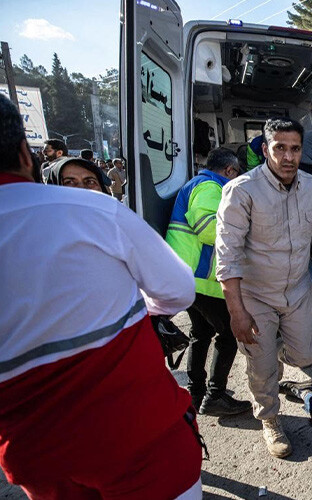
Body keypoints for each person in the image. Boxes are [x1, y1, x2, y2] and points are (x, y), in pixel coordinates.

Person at [0, 95, 203, 498]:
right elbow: (178, 291)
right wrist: (134, 308)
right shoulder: (95, 212)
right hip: (142, 441)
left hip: (39, 459)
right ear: (28, 154)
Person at [216, 118, 312, 459]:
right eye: (280, 148)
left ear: (302, 150)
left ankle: (276, 352)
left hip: (298, 290)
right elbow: (228, 257)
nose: (288, 156)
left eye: (295, 148)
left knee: (307, 355)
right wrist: (237, 312)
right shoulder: (241, 191)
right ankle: (270, 419)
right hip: (257, 296)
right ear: (266, 149)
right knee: (262, 367)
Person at [166, 147, 252, 416]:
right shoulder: (210, 187)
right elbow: (208, 229)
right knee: (229, 332)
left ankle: (196, 392)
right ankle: (215, 395)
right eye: (236, 174)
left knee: (200, 333)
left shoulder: (197, 184)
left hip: (188, 277)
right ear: (229, 171)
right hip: (201, 279)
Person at [44, 156, 111, 194]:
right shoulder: (46, 218)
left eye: (90, 182)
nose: (82, 188)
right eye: (69, 182)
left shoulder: (114, 216)